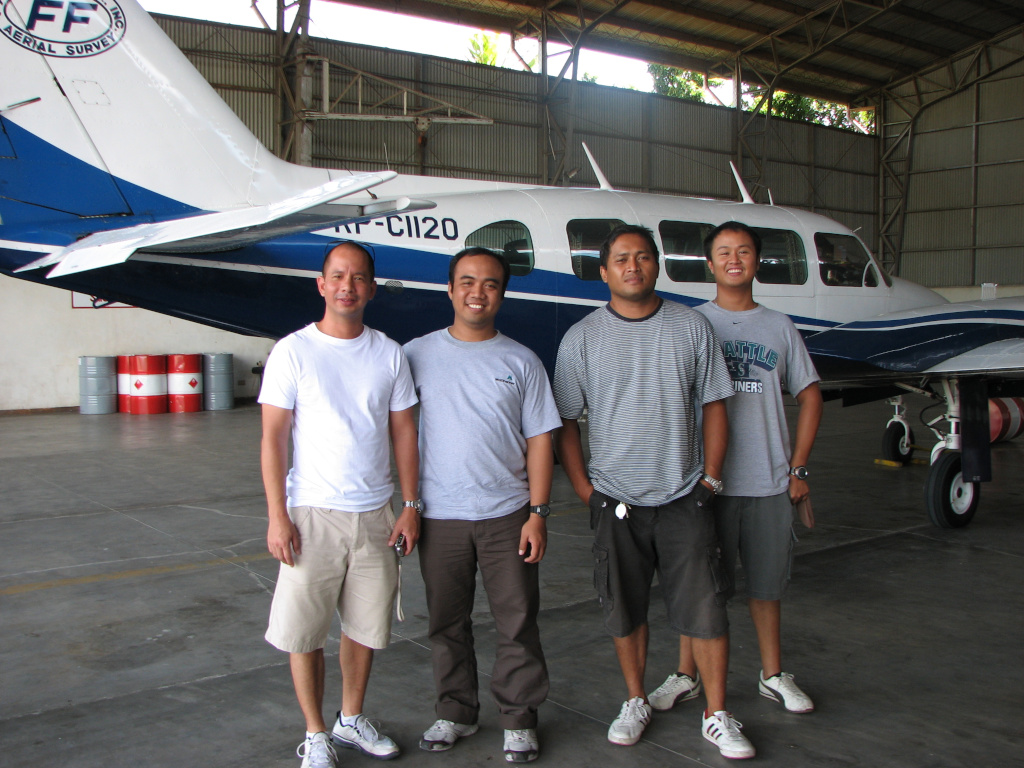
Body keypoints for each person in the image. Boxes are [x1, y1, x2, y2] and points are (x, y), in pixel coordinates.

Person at [553, 224, 755, 760]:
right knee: (626, 607)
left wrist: (710, 479)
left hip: (683, 496)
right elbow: (566, 420)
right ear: (604, 272)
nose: (633, 267)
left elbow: (715, 404)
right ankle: (636, 699)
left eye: (643, 257)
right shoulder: (581, 338)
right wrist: (583, 488)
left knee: (707, 607)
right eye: (622, 259)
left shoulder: (690, 327)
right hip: (615, 501)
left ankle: (716, 714)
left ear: (656, 265)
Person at [648, 221, 822, 717]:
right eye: (723, 252)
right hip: (705, 485)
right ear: (709, 264)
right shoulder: (690, 324)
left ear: (756, 261)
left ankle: (772, 675)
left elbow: (810, 396)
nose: (734, 259)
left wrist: (799, 468)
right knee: (698, 589)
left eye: (743, 251)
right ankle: (687, 674)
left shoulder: (779, 326)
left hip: (768, 481)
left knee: (766, 588)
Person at [259, 242, 422, 768]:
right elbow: (273, 439)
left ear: (371, 289)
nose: (347, 285)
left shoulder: (388, 353)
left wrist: (410, 504)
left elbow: (404, 434)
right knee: (303, 630)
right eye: (337, 276)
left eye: (357, 278)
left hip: (376, 513)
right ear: (321, 284)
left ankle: (350, 719)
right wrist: (277, 515)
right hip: (310, 513)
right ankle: (315, 733)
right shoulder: (293, 351)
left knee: (364, 626)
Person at [403, 247, 561, 764]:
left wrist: (538, 512)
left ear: (502, 294)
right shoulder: (414, 355)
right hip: (439, 516)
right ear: (450, 290)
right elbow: (395, 431)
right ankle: (456, 711)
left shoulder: (521, 361)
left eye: (490, 284)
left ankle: (518, 719)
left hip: (507, 515)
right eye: (467, 282)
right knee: (446, 622)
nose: (478, 292)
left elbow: (541, 439)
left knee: (517, 622)